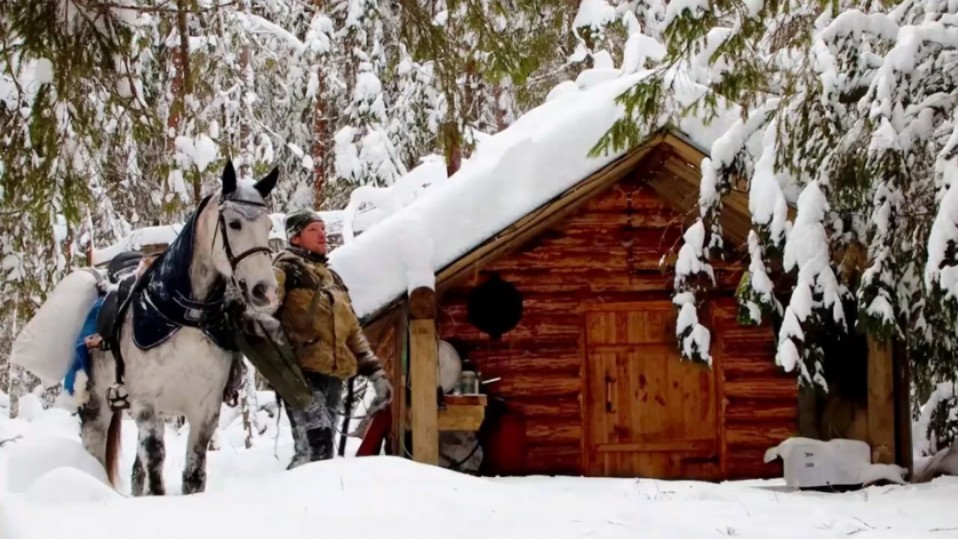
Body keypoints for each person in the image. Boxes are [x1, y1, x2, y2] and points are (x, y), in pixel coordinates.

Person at [272, 209, 393, 468]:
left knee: (323, 454)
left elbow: (352, 332)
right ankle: (291, 502)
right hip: (300, 374)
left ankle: (317, 505)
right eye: (313, 229)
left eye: (323, 228)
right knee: (314, 447)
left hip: (334, 376)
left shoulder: (332, 278)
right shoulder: (285, 269)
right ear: (295, 238)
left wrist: (376, 375)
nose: (322, 234)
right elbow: (263, 308)